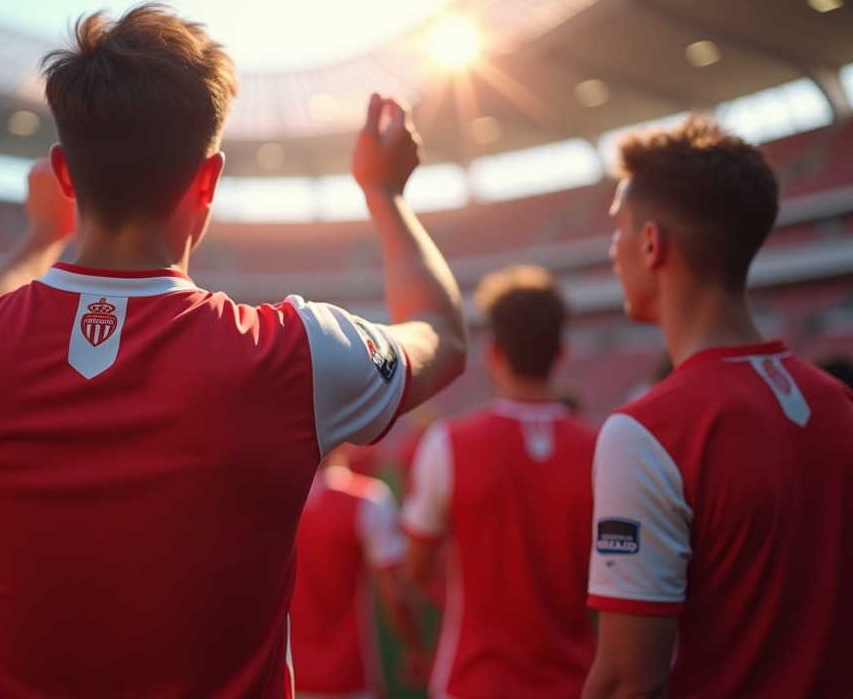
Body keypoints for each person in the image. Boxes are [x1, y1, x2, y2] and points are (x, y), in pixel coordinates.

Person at [0, 3, 468, 698]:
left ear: (65, 175)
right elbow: (442, 332)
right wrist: (385, 194)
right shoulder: (293, 355)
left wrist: (39, 237)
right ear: (210, 180)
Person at [583, 116, 853, 698]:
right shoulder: (839, 403)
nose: (612, 250)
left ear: (652, 244)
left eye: (619, 230)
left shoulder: (647, 433)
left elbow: (628, 682)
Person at [402, 264, 596, 699]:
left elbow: (416, 569)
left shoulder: (447, 443)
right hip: (577, 684)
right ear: (560, 351)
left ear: (493, 351)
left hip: (471, 682)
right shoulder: (604, 448)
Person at [290, 445, 425, 699]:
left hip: (287, 678)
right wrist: (417, 650)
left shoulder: (275, 499)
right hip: (349, 678)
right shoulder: (367, 498)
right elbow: (396, 598)